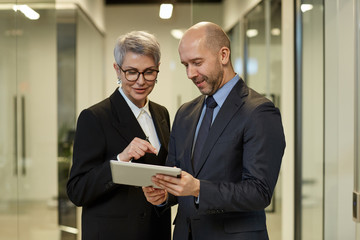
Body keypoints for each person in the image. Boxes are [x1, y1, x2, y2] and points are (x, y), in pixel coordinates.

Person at [143, 22, 286, 240]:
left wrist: (199, 188)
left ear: (224, 55)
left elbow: (259, 192)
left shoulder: (259, 112)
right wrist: (163, 194)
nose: (190, 73)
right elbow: (176, 176)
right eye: (185, 65)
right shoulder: (185, 113)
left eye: (197, 63)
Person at [67, 31, 171, 240]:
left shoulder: (162, 114)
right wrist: (121, 159)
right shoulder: (95, 117)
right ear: (117, 70)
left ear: (158, 70)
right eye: (131, 72)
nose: (140, 81)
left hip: (156, 231)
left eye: (149, 72)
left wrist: (164, 197)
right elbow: (77, 191)